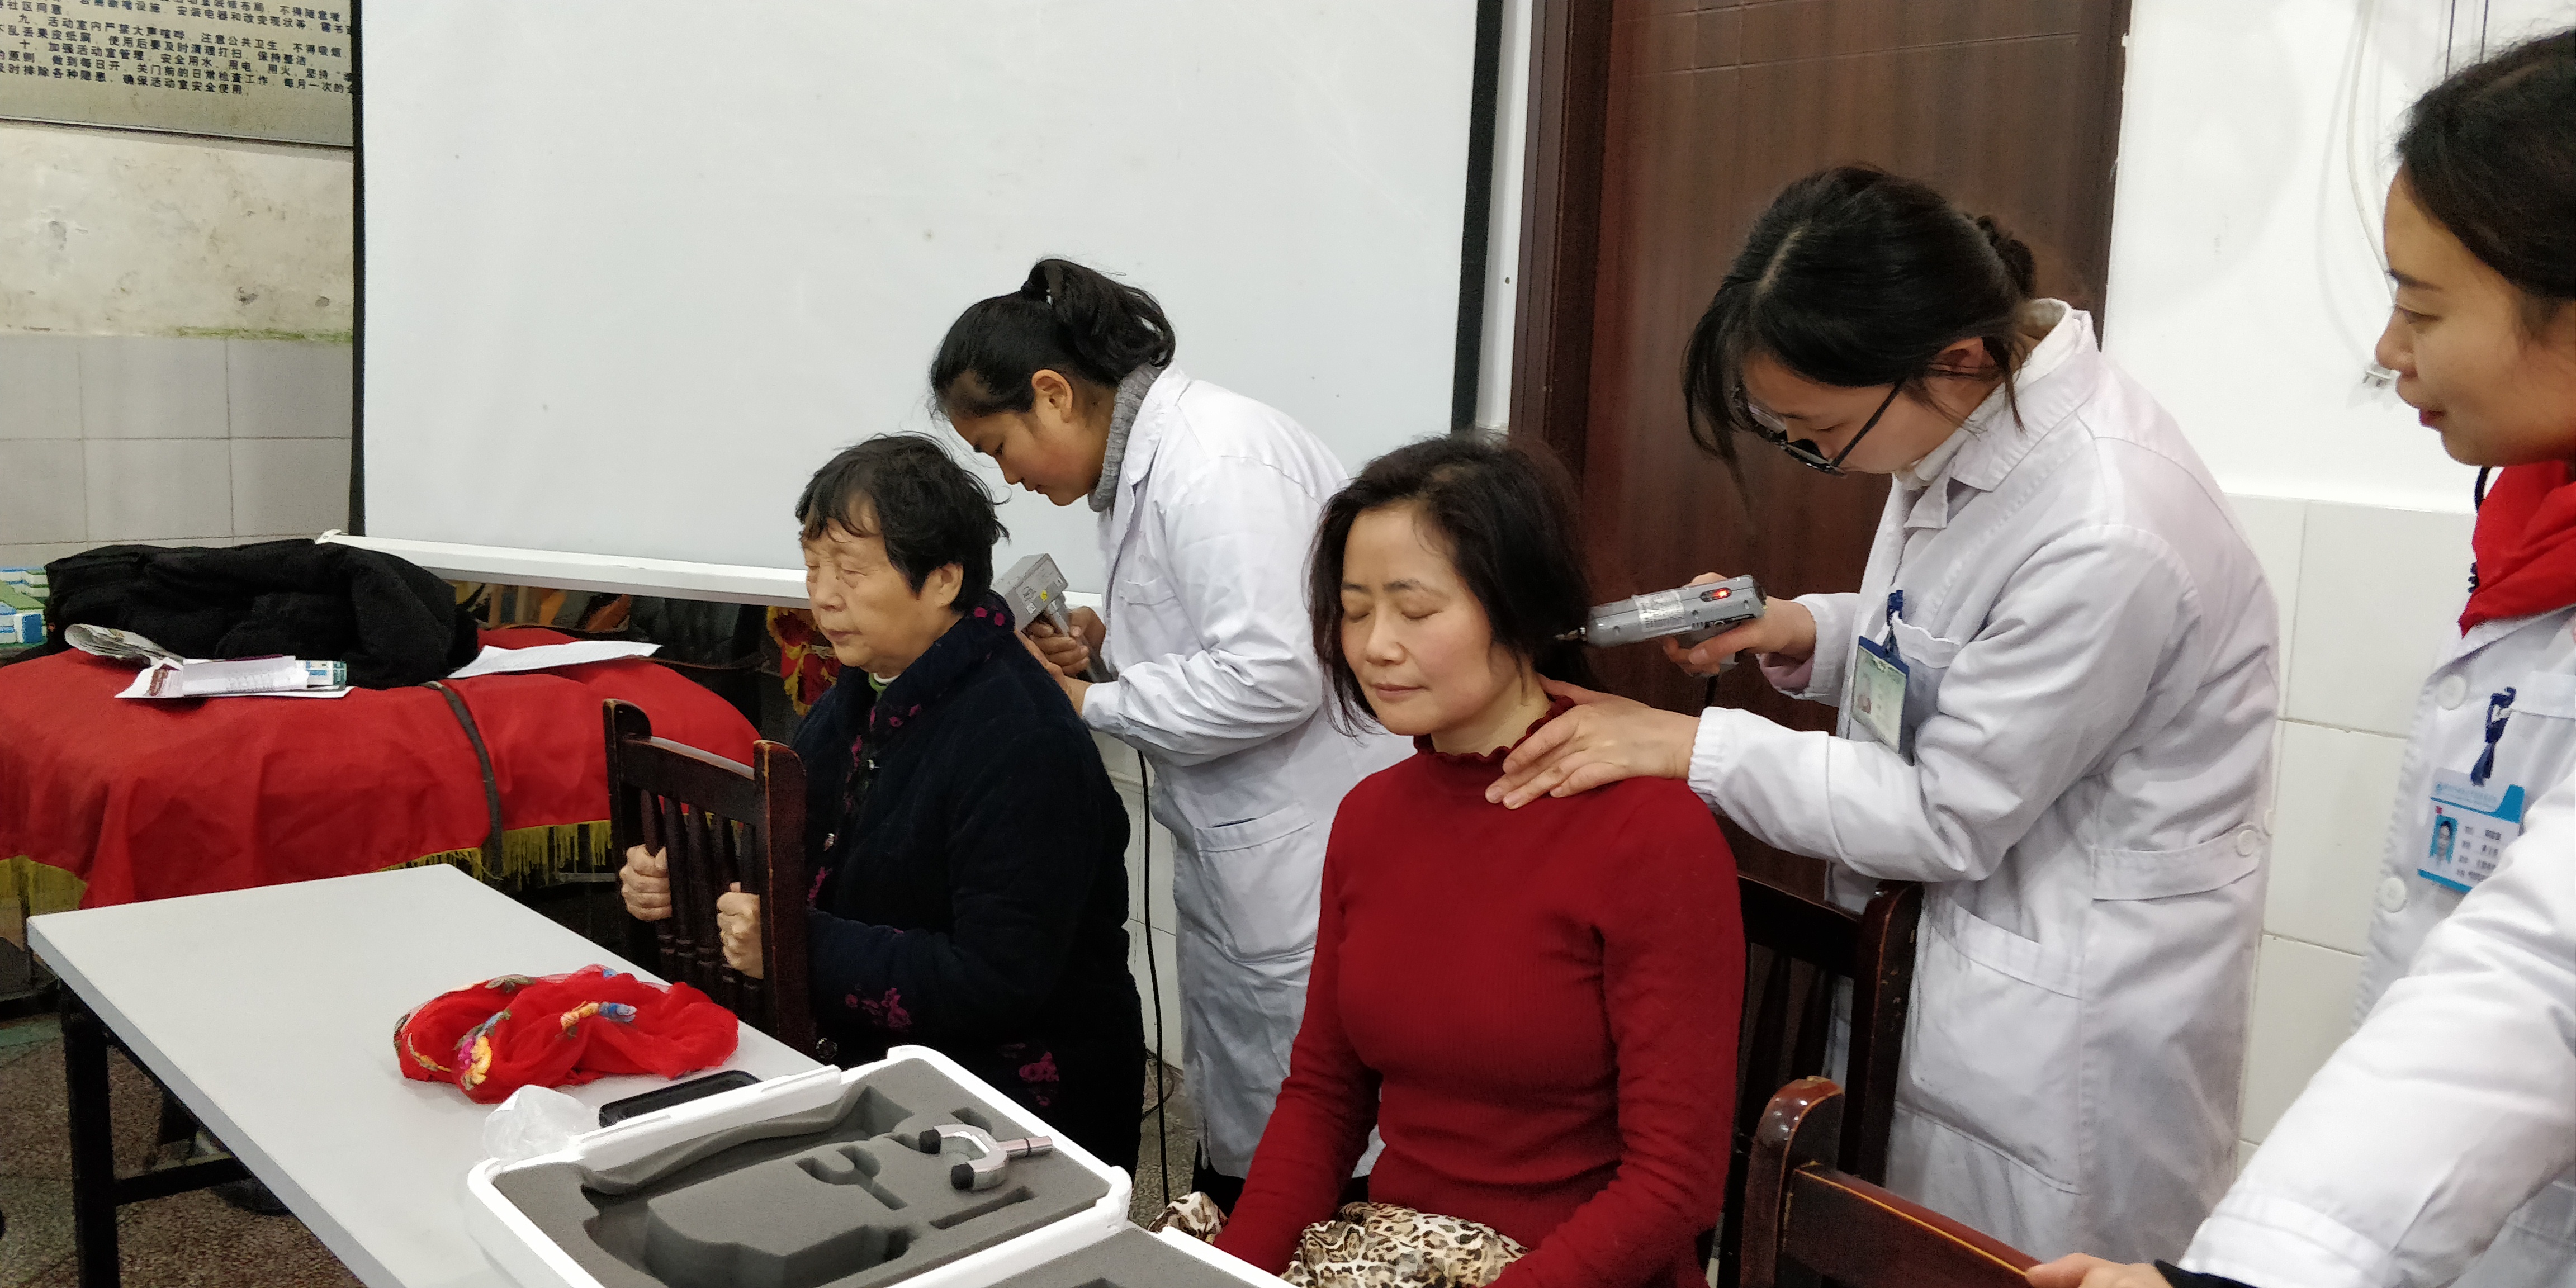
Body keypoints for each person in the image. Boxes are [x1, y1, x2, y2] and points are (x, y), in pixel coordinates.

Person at [1485, 166, 2280, 1262]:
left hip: (2070, 1031)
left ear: (1956, 361)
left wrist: (1693, 747)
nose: (1815, 457)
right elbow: (1954, 640)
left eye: (1819, 430)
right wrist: (1803, 632)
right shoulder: (1969, 430)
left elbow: (1947, 814)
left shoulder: (2109, 528)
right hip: (1953, 965)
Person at [2030, 29, 2576, 1288]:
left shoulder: (2120, 514)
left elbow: (2543, 972)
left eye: (2422, 308)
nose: (2387, 351)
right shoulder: (2529, 525)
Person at [1211, 436, 1743, 1288]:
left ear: (1522, 610)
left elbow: (1674, 1186)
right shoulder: (1371, 817)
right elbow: (1324, 1096)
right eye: (1354, 610)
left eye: (1415, 611)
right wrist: (1235, 1275)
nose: (1375, 646)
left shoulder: (1650, 833)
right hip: (1397, 1253)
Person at [932, 258, 1408, 1202]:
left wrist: (1090, 704)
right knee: (1260, 1135)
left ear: (1053, 394)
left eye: (999, 448)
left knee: (1321, 1157)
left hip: (1303, 848)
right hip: (1250, 851)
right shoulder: (1152, 468)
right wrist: (1108, 653)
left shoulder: (1216, 464)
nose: (1009, 477)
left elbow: (1275, 674)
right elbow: (1215, 639)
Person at [618, 435, 1143, 1172]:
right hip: (881, 1072)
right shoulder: (865, 693)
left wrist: (793, 943)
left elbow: (996, 978)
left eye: (852, 570)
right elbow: (793, 848)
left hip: (1018, 1108)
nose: (823, 596)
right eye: (813, 568)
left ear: (943, 579)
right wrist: (687, 881)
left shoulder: (1023, 740)